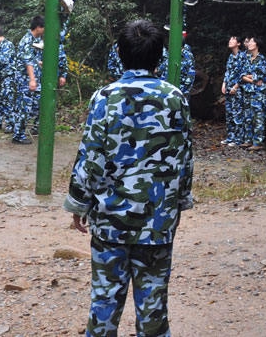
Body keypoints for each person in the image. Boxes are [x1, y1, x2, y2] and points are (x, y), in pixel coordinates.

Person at [64, 19, 193, 337]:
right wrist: (179, 201)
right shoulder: (174, 97)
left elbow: (91, 157)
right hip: (157, 223)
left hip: (110, 223)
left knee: (104, 305)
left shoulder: (105, 98)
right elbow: (184, 158)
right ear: (159, 57)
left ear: (120, 54)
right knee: (153, 310)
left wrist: (79, 203)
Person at [18, 15, 67, 139]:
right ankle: (18, 135)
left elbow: (33, 60)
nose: (45, 31)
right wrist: (32, 80)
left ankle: (35, 128)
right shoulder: (27, 40)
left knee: (40, 105)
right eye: (44, 28)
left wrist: (39, 63)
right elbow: (28, 62)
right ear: (39, 27)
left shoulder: (35, 40)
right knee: (25, 108)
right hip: (26, 80)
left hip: (34, 79)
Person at [0, 24, 30, 144]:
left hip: (8, 78)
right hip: (0, 77)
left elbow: (4, 60)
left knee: (8, 101)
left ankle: (10, 124)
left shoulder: (8, 45)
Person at [239, 35, 266, 151]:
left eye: (251, 42)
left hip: (258, 93)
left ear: (257, 45)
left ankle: (258, 142)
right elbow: (241, 75)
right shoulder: (247, 59)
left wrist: (250, 77)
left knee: (258, 117)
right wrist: (252, 79)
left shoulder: (262, 59)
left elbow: (261, 76)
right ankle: (248, 140)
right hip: (248, 92)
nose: (249, 44)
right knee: (248, 117)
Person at [221, 35, 246, 146]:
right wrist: (224, 83)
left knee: (237, 113)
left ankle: (238, 139)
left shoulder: (243, 56)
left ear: (239, 43)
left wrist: (236, 86)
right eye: (230, 39)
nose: (230, 41)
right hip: (228, 88)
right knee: (229, 113)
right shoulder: (231, 57)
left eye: (233, 39)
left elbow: (243, 73)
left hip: (238, 90)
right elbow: (228, 71)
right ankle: (230, 137)